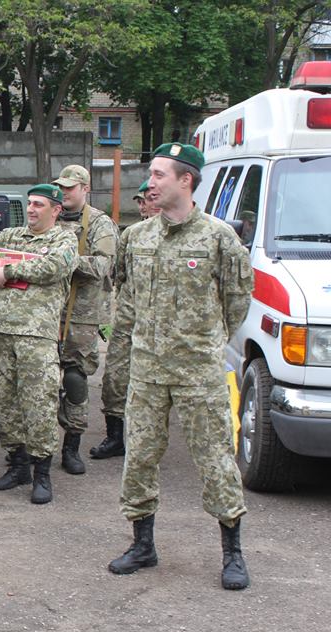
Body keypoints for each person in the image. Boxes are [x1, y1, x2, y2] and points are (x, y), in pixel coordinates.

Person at [107, 143, 253, 590]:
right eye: (150, 174)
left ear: (185, 180)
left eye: (159, 175)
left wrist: (203, 343)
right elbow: (125, 295)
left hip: (198, 374)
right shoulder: (136, 237)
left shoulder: (218, 238)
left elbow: (237, 301)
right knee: (139, 457)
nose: (150, 183)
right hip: (147, 371)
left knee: (215, 460)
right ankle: (142, 545)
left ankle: (232, 552)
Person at [0, 184, 76, 504]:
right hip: (0, 332)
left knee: (39, 403)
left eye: (39, 204)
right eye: (29, 203)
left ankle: (42, 473)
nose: (31, 209)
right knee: (3, 400)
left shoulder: (63, 239)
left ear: (56, 210)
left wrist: (8, 271)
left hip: (36, 336)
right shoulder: (12, 236)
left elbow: (54, 267)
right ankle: (18, 463)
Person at [50, 165, 118, 476]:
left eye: (70, 187)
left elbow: (103, 266)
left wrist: (63, 259)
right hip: (47, 312)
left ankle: (71, 446)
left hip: (82, 315)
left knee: (75, 380)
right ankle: (33, 448)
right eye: (61, 187)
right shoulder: (49, 215)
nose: (64, 192)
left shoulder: (100, 223)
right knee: (39, 380)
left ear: (85, 189)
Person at [92, 181, 160, 460]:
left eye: (148, 199)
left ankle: (148, 442)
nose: (143, 206)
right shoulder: (131, 235)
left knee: (156, 386)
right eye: (141, 201)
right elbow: (118, 276)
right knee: (115, 379)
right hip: (129, 321)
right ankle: (115, 438)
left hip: (162, 326)